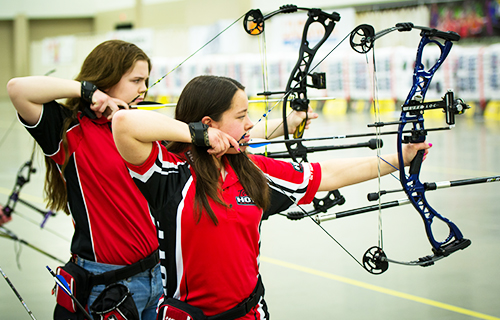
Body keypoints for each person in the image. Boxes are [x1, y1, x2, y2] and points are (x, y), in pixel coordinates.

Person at [112, 75, 431, 320]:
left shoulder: (254, 170)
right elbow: (124, 123)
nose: (250, 123)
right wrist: (198, 135)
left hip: (251, 312)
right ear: (209, 124)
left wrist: (399, 159)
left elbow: (328, 174)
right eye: (241, 116)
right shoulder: (168, 173)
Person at [7, 40, 163, 320]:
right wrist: (85, 90)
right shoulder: (69, 129)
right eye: (136, 80)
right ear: (107, 79)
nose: (144, 89)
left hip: (156, 276)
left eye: (146, 80)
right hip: (106, 285)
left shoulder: (140, 127)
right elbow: (17, 89)